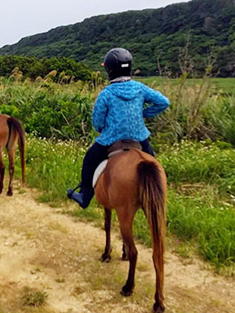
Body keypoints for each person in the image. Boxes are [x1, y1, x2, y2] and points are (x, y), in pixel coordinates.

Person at [67, 48, 169, 208]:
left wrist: (102, 128)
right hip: (139, 138)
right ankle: (160, 198)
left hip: (111, 139)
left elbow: (97, 122)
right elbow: (164, 102)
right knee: (154, 165)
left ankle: (85, 196)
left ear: (108, 69)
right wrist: (144, 114)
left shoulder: (106, 93)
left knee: (90, 159)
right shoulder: (140, 88)